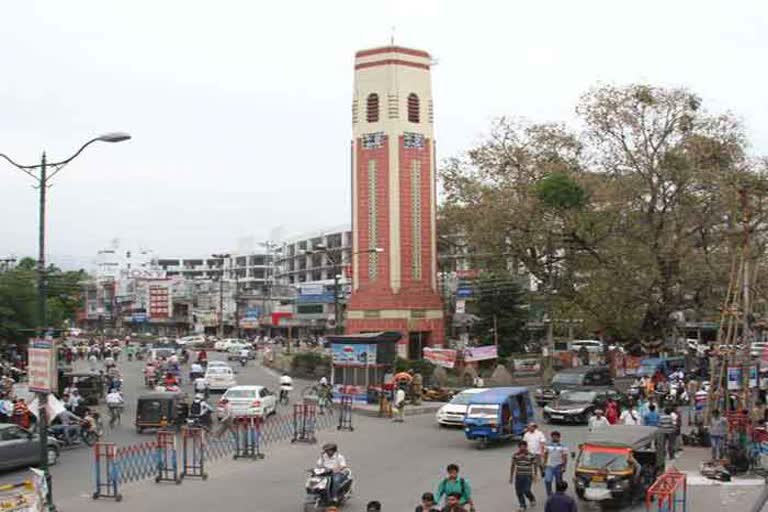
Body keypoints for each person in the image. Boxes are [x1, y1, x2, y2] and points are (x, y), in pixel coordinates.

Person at [510, 440, 538, 511]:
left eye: (524, 446)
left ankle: (532, 498)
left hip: (528, 476)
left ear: (526, 447)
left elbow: (535, 465)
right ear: (519, 447)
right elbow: (513, 465)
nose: (522, 448)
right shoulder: (515, 455)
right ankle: (522, 505)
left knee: (526, 490)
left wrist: (535, 474)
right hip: (518, 475)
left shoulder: (531, 455)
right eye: (521, 447)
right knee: (518, 491)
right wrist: (511, 477)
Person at [543, 431, 568, 497]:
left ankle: (558, 495)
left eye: (556, 437)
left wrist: (564, 466)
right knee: (547, 480)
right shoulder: (547, 445)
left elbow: (565, 456)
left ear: (559, 438)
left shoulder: (563, 446)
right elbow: (545, 455)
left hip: (559, 466)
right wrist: (544, 464)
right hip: (549, 466)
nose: (554, 438)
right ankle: (549, 494)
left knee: (559, 482)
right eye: (553, 437)